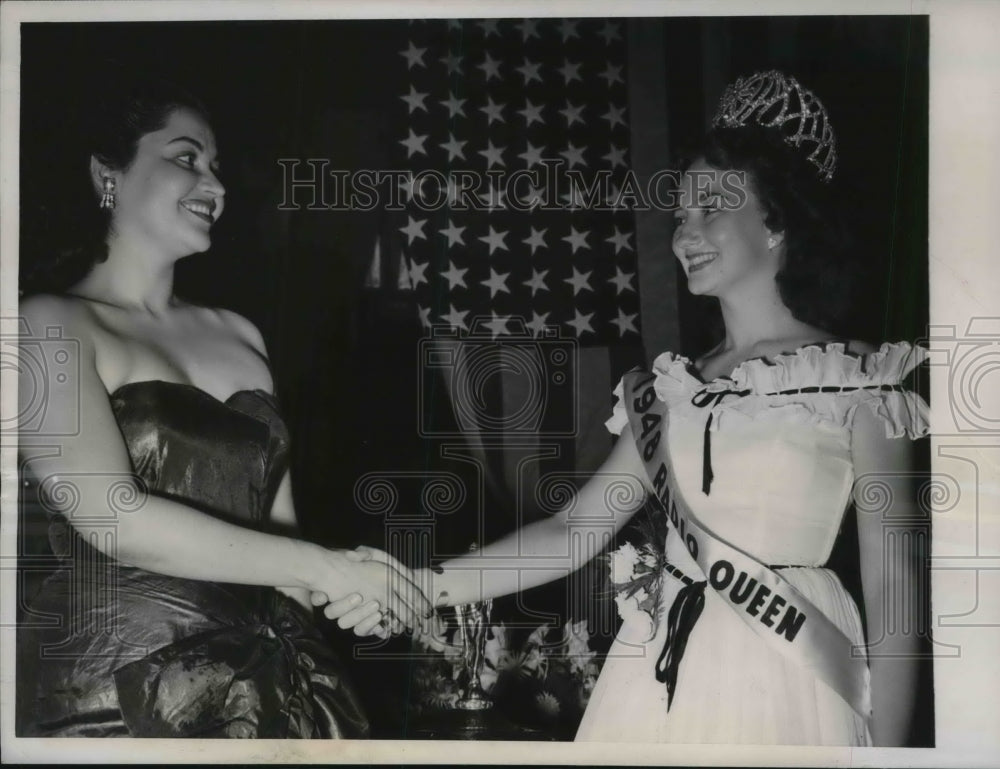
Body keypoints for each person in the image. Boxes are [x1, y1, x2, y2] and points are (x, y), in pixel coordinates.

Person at [376, 71, 929, 746]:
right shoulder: (665, 388)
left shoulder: (860, 378)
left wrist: (896, 756)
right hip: (662, 674)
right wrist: (416, 586)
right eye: (679, 215)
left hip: (795, 674)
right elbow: (573, 530)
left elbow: (893, 582)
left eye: (710, 209)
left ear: (778, 220)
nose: (684, 233)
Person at [15, 78, 427, 738]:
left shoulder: (241, 335)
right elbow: (111, 516)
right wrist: (323, 566)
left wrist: (348, 594)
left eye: (217, 166)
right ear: (107, 175)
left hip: (270, 684)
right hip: (110, 691)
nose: (216, 184)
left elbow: (282, 534)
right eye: (186, 157)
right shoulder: (45, 323)